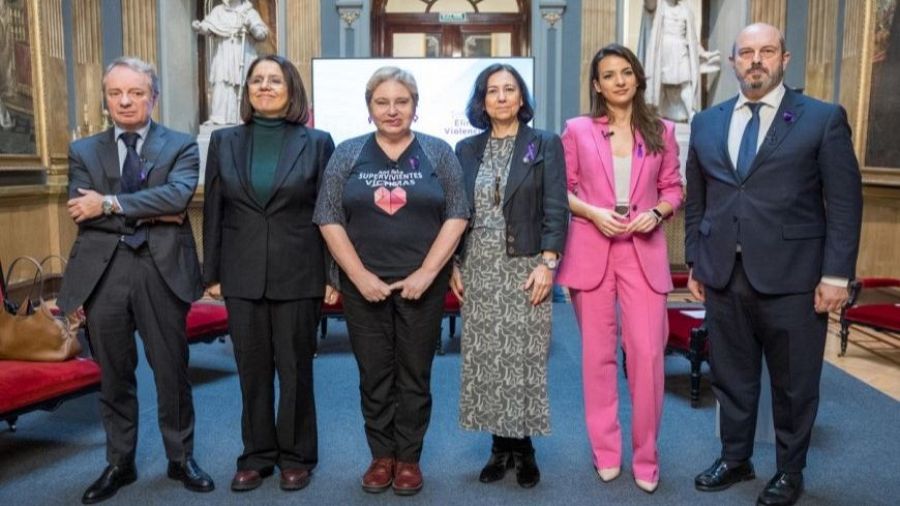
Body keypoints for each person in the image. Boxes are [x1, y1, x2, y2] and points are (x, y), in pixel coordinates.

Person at [685, 23, 862, 506]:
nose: (755, 60)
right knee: (732, 376)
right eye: (746, 53)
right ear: (733, 62)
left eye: (766, 51)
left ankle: (789, 470)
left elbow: (845, 203)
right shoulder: (707, 122)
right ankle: (736, 457)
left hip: (796, 279)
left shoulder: (821, 118)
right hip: (724, 274)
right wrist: (696, 262)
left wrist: (836, 276)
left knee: (793, 384)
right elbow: (698, 202)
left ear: (784, 59)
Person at [57, 57, 214, 504]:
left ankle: (181, 458)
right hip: (104, 273)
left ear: (154, 97)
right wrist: (152, 210)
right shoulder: (83, 150)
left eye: (137, 92)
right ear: (106, 98)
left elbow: (178, 197)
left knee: (171, 370)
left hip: (161, 271)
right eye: (115, 93)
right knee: (115, 375)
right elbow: (79, 211)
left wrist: (106, 203)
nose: (125, 101)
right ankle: (119, 462)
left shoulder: (181, 145)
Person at [313, 66, 469, 496]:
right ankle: (382, 456)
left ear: (415, 108)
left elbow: (457, 214)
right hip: (364, 287)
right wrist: (358, 276)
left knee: (414, 374)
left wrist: (426, 272)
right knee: (374, 373)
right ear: (369, 109)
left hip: (423, 284)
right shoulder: (347, 154)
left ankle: (409, 459)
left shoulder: (439, 152)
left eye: (401, 101)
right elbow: (328, 216)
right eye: (382, 102)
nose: (392, 110)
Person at [202, 55, 336, 493]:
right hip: (241, 274)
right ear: (247, 91)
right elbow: (214, 211)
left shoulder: (317, 143)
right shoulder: (224, 142)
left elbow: (330, 215)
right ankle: (256, 455)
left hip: (300, 272)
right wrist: (213, 272)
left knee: (296, 368)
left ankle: (296, 456)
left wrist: (332, 275)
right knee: (252, 369)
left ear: (291, 88)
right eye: (256, 80)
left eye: (274, 80)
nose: (264, 86)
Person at [555, 43, 684, 494]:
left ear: (638, 77)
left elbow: (674, 187)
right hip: (592, 248)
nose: (619, 81)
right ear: (597, 85)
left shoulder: (663, 131)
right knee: (597, 358)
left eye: (626, 72)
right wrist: (592, 212)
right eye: (609, 75)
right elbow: (562, 189)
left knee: (648, 356)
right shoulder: (576, 130)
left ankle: (647, 457)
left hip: (643, 251)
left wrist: (661, 210)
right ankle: (606, 452)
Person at [452, 63, 567, 488]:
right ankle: (499, 447)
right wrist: (453, 264)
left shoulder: (544, 144)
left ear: (521, 99)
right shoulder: (466, 149)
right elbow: (456, 212)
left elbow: (556, 206)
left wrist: (548, 262)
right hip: (478, 266)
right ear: (482, 101)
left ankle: (525, 448)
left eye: (509, 89)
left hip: (526, 265)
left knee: (523, 358)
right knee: (486, 359)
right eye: (492, 91)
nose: (501, 97)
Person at [192, 0, 269, 124]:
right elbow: (208, 26)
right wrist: (200, 27)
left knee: (243, 84)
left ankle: (243, 116)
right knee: (221, 82)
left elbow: (262, 34)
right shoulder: (218, 11)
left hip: (243, 53)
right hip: (224, 52)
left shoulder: (249, 12)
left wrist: (252, 26)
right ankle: (219, 117)